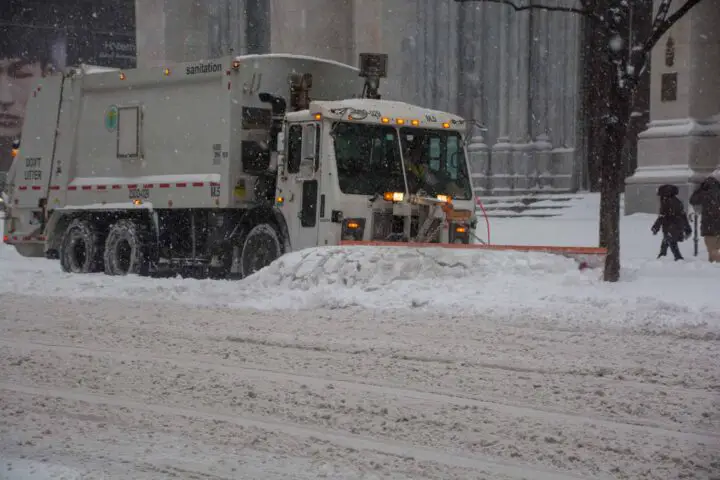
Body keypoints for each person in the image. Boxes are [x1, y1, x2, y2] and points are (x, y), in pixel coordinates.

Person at [651, 184, 691, 261]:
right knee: (667, 240)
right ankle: (662, 255)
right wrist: (687, 228)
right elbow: (683, 215)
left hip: (670, 226)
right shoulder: (677, 201)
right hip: (677, 226)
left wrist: (656, 227)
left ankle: (678, 259)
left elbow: (662, 217)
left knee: (672, 243)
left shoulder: (666, 202)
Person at [689, 176, 720, 263]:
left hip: (709, 226)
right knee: (715, 250)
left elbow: (692, 200)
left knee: (712, 250)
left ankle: (715, 266)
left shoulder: (704, 193)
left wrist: (700, 189)